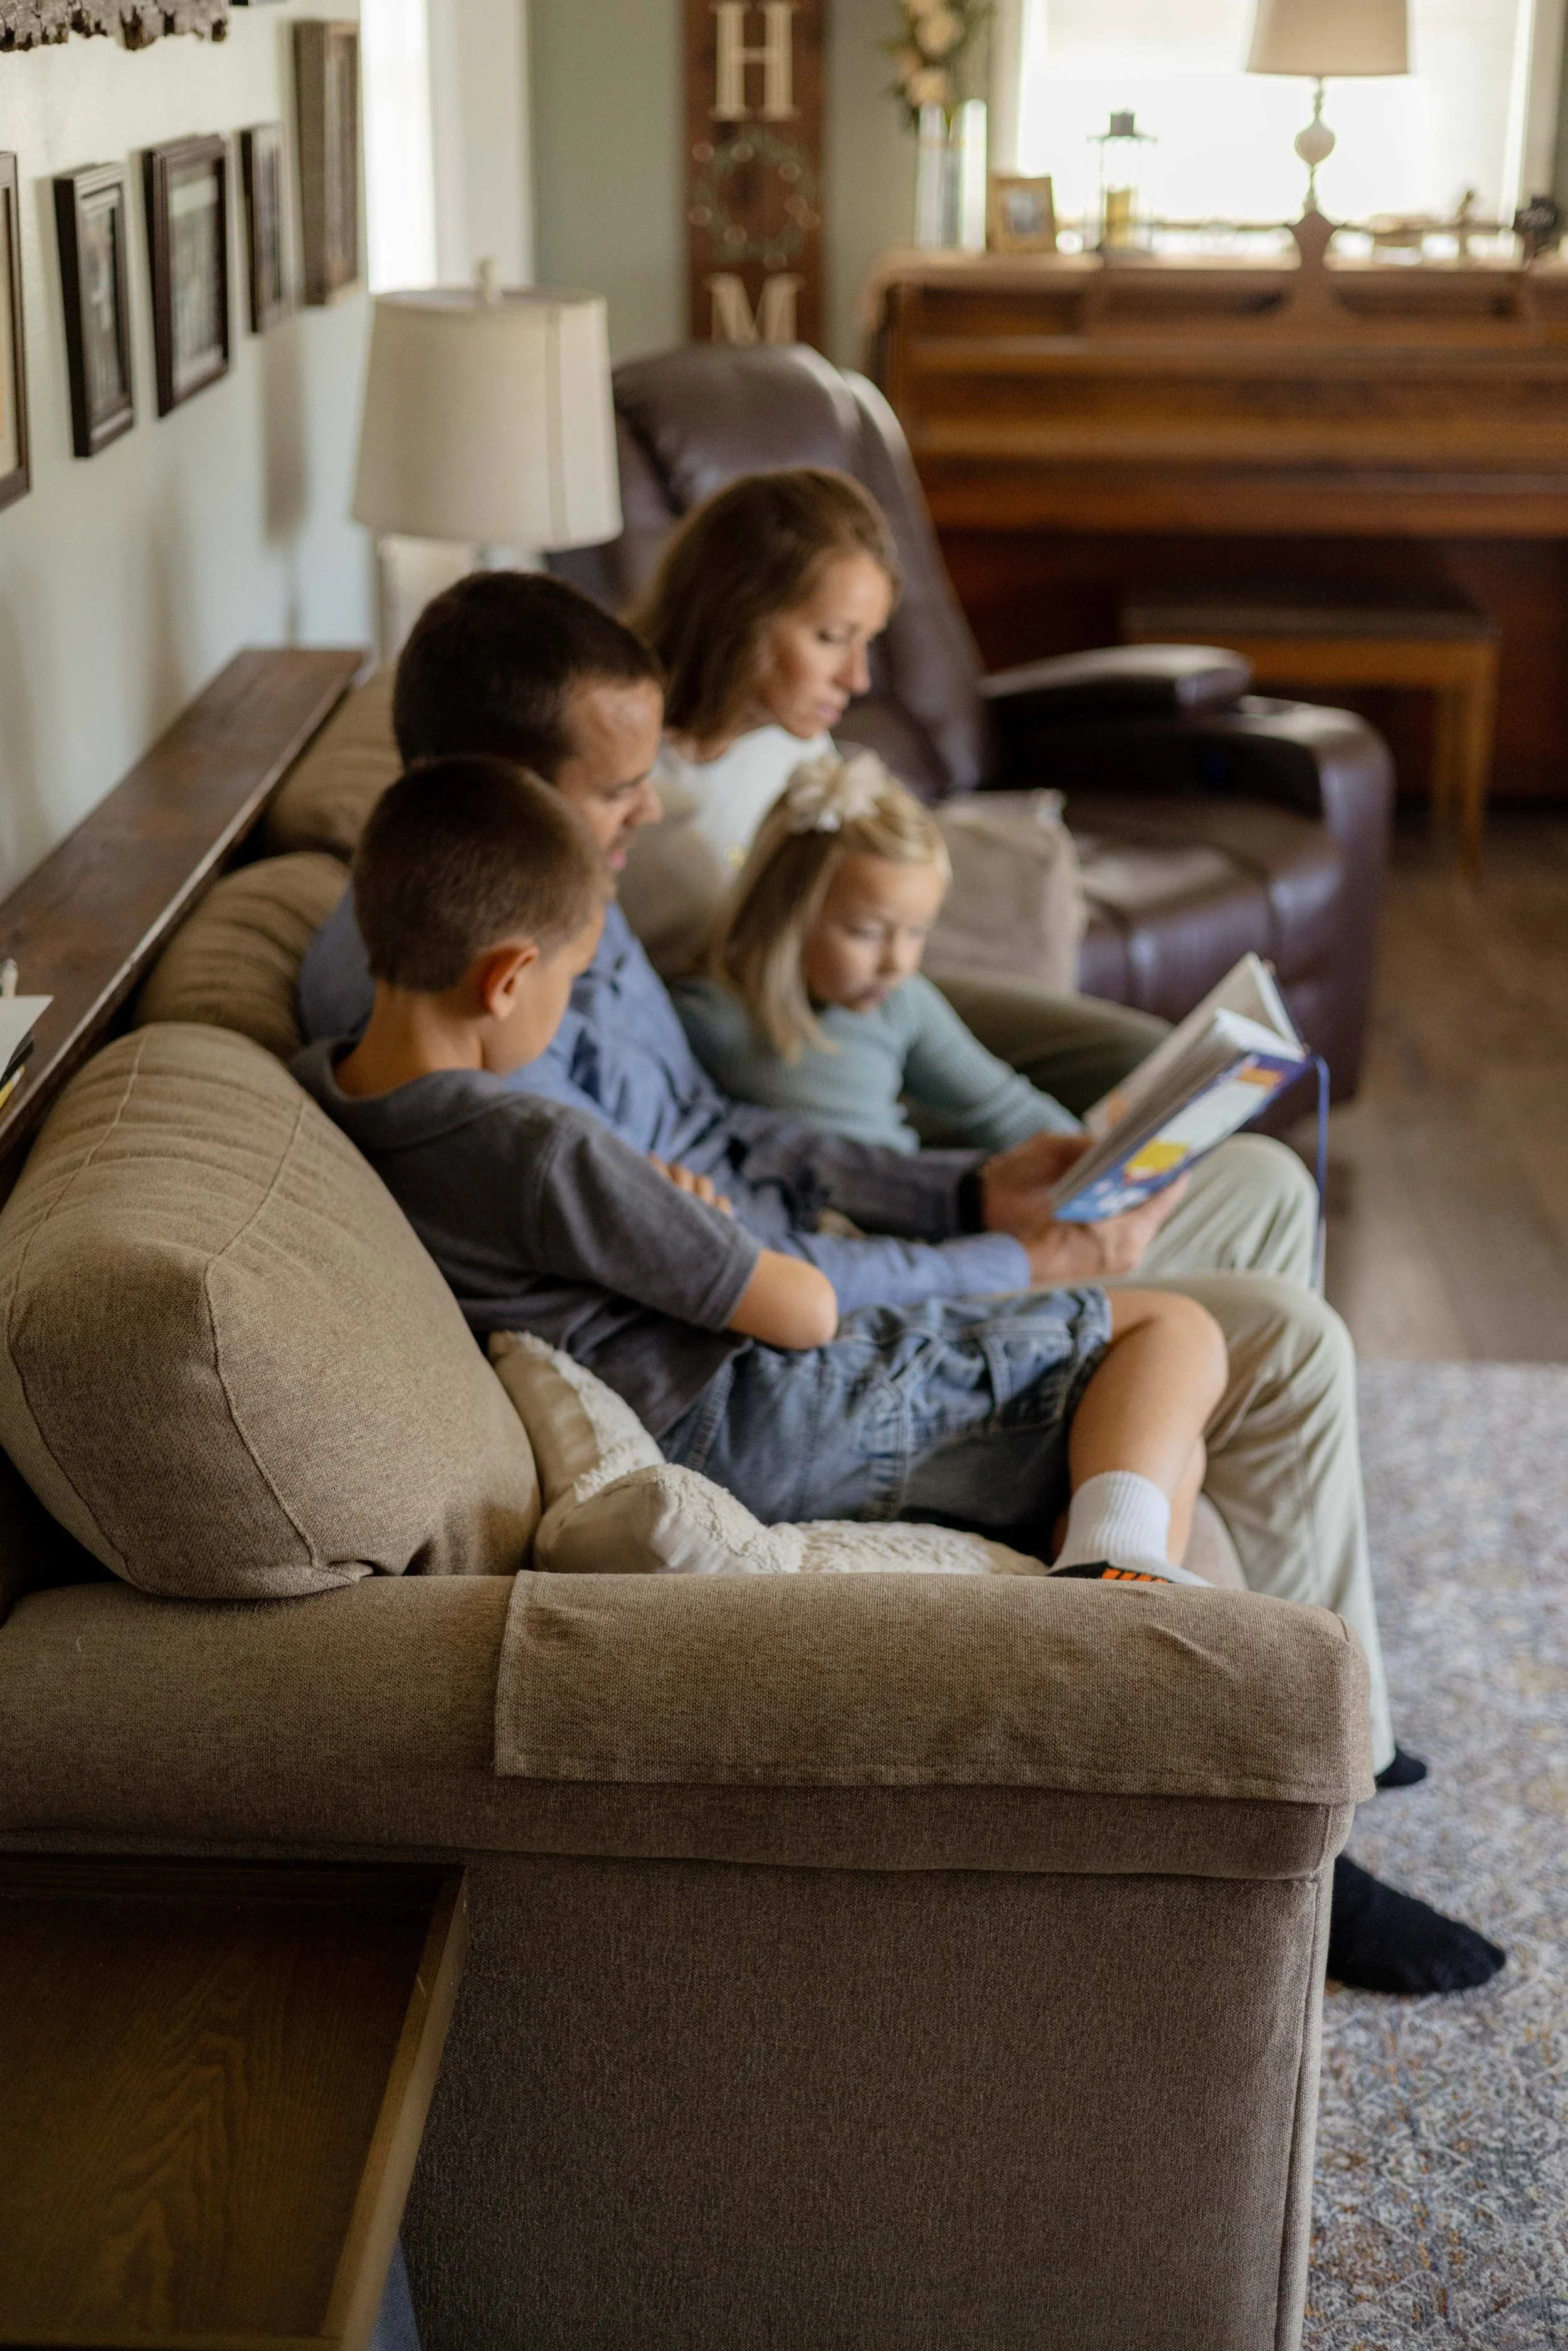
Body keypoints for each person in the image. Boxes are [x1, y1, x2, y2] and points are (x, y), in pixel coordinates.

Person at [294, 753, 1505, 1999]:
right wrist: (677, 1214)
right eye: (571, 975)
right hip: (759, 1400)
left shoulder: (326, 1081)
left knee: (1169, 1392)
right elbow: (803, 1304)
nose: (577, 1004)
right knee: (1176, 1338)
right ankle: (1113, 1590)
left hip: (706, 1387)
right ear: (505, 976)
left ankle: (1202, 1642)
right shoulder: (539, 1138)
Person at [627, 464, 1163, 1116]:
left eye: (868, 642)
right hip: (755, 1053)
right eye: (830, 638)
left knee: (1144, 1063)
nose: (856, 679)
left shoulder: (790, 736)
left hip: (857, 996)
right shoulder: (627, 771)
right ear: (736, 614)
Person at [673, 747, 1078, 1155]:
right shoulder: (712, 1020)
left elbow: (1004, 1112)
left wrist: (1095, 1169)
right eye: (867, 933)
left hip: (921, 1202)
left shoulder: (903, 1003)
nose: (898, 964)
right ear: (784, 917)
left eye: (917, 931)